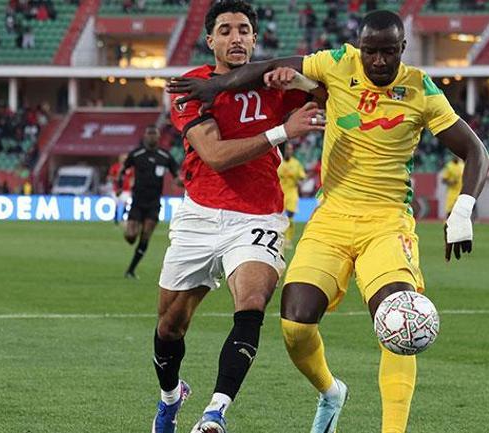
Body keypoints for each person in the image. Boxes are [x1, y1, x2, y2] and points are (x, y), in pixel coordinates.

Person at [167, 9, 489, 433]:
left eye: (388, 53)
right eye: (370, 51)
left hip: (387, 222)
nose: (377, 61)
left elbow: (476, 151)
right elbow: (268, 67)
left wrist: (463, 209)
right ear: (360, 47)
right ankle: (331, 391)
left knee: (399, 317)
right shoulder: (338, 63)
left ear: (402, 50)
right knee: (295, 325)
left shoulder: (420, 89)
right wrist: (217, 84)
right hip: (331, 217)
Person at [154, 2, 326, 433]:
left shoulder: (273, 84)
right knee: (170, 327)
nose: (236, 37)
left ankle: (216, 412)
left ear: (254, 38)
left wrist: (300, 79)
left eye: (244, 30)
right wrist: (283, 131)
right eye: (226, 30)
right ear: (210, 40)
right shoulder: (190, 86)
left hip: (259, 218)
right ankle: (171, 397)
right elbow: (214, 156)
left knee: (251, 305)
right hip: (200, 215)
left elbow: (330, 93)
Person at [118, 125, 180, 279]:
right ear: (145, 136)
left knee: (146, 235)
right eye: (149, 133)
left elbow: (176, 174)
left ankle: (131, 270)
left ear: (158, 137)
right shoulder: (137, 154)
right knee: (131, 237)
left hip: (154, 203)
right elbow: (122, 170)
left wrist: (182, 182)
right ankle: (128, 226)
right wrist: (119, 186)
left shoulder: (164, 156)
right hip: (137, 202)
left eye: (154, 134)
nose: (152, 137)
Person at [277, 142, 306, 248]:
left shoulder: (296, 164)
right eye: (287, 149)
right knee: (278, 218)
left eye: (291, 149)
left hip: (292, 194)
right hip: (279, 194)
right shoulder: (278, 161)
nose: (289, 151)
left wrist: (300, 181)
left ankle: (288, 240)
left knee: (290, 217)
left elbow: (302, 177)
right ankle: (280, 238)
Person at [109, 153, 134, 225]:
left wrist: (132, 184)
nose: (124, 159)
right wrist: (115, 179)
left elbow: (132, 177)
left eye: (126, 158)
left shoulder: (130, 168)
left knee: (126, 204)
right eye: (123, 158)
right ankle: (116, 219)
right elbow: (110, 177)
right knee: (116, 204)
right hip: (116, 189)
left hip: (126, 190)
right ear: (120, 159)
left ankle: (123, 218)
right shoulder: (115, 167)